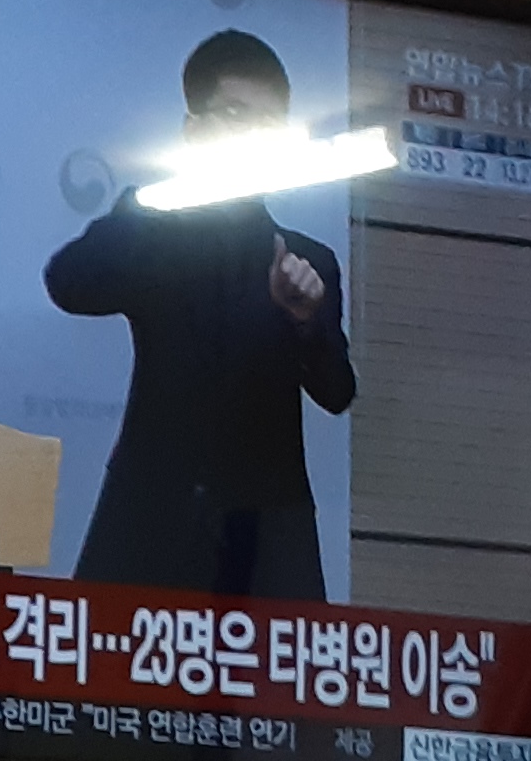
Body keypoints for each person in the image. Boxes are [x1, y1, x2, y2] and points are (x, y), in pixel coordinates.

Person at [45, 30, 356, 598]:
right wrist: (157, 207)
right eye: (235, 115)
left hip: (266, 537)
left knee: (276, 661)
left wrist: (305, 317)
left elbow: (337, 391)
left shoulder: (307, 259)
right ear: (194, 130)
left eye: (269, 125)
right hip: (151, 520)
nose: (252, 137)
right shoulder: (154, 224)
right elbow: (69, 284)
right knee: (109, 656)